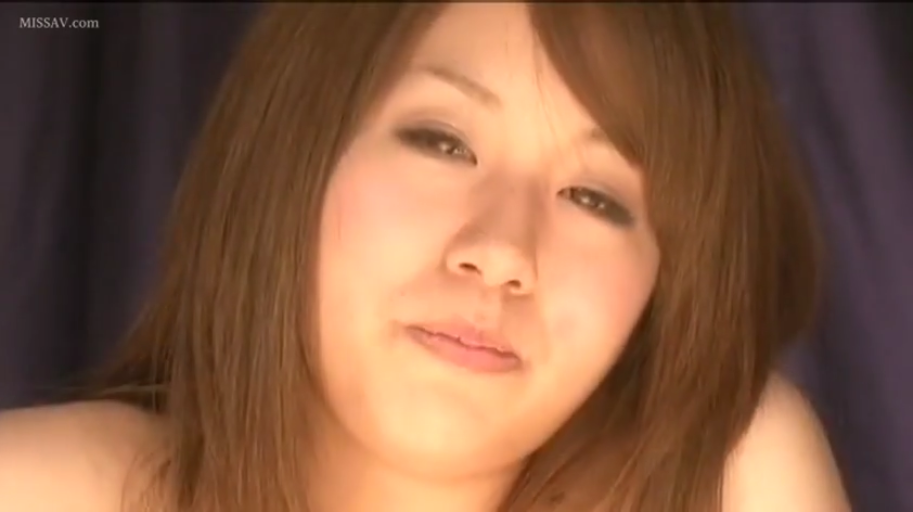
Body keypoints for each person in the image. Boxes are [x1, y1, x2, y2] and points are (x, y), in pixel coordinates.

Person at [0, 4, 850, 512]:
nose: (501, 251)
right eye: (442, 142)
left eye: (595, 199)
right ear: (289, 158)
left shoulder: (745, 465)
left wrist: (745, 433)